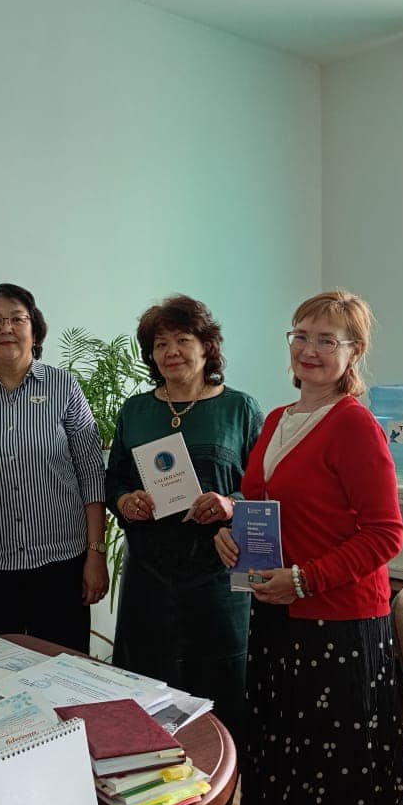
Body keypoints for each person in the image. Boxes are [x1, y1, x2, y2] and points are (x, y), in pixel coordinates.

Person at [214, 289, 403, 805]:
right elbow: (262, 503)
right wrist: (230, 529)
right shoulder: (277, 418)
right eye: (300, 336)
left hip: (337, 622)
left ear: (354, 352)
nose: (309, 349)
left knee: (331, 769)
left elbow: (386, 534)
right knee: (281, 753)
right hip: (276, 613)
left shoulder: (355, 424)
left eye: (327, 340)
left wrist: (302, 579)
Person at [106, 295, 262, 749]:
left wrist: (230, 504)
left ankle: (222, 779)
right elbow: (114, 480)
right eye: (160, 344)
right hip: (149, 577)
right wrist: (126, 500)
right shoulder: (136, 410)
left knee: (222, 689)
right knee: (146, 689)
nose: (171, 351)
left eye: (182, 340)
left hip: (219, 577)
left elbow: (266, 488)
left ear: (207, 346)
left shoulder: (240, 409)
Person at [0, 283, 107, 653]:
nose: (6, 328)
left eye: (17, 319)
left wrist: (96, 553)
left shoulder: (63, 386)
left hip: (61, 564)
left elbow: (91, 474)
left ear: (35, 329)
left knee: (65, 673)